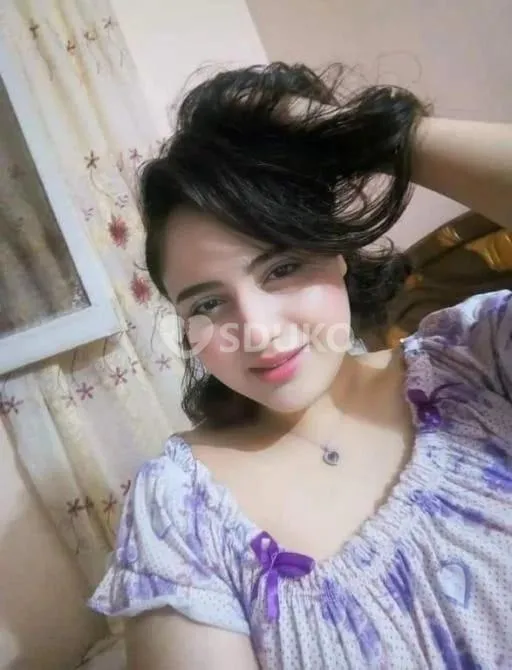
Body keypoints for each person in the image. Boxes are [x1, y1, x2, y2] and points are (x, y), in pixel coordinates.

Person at [89, 63, 512, 669]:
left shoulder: (478, 358)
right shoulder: (181, 509)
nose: (259, 333)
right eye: (207, 304)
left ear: (338, 255)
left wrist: (363, 132)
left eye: (282, 268)